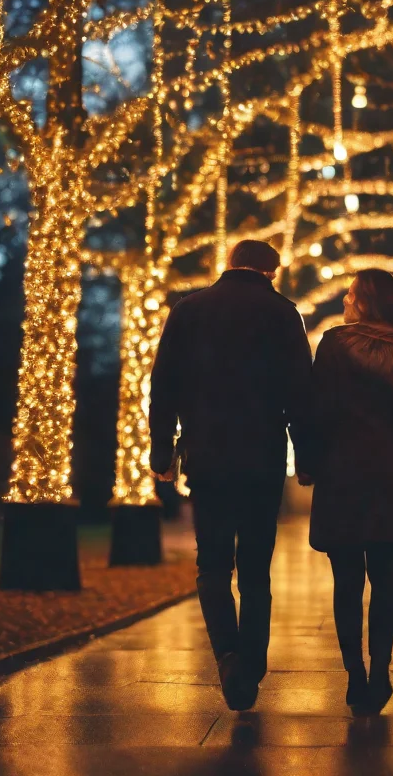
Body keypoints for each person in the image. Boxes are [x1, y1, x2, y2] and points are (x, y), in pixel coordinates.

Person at [149, 239, 312, 712]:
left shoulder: (189, 310)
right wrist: (305, 454)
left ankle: (227, 655)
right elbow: (299, 391)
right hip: (261, 457)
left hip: (207, 456)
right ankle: (252, 663)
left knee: (213, 565)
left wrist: (163, 450)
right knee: (256, 568)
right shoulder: (283, 314)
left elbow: (164, 384)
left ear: (229, 265)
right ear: (271, 272)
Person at [300, 269, 393, 715]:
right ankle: (381, 670)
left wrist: (309, 464)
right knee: (385, 580)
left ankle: (354, 674)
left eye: (350, 294)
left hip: (342, 472)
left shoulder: (335, 345)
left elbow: (314, 411)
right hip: (390, 473)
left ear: (362, 302)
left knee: (347, 582)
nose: (344, 301)